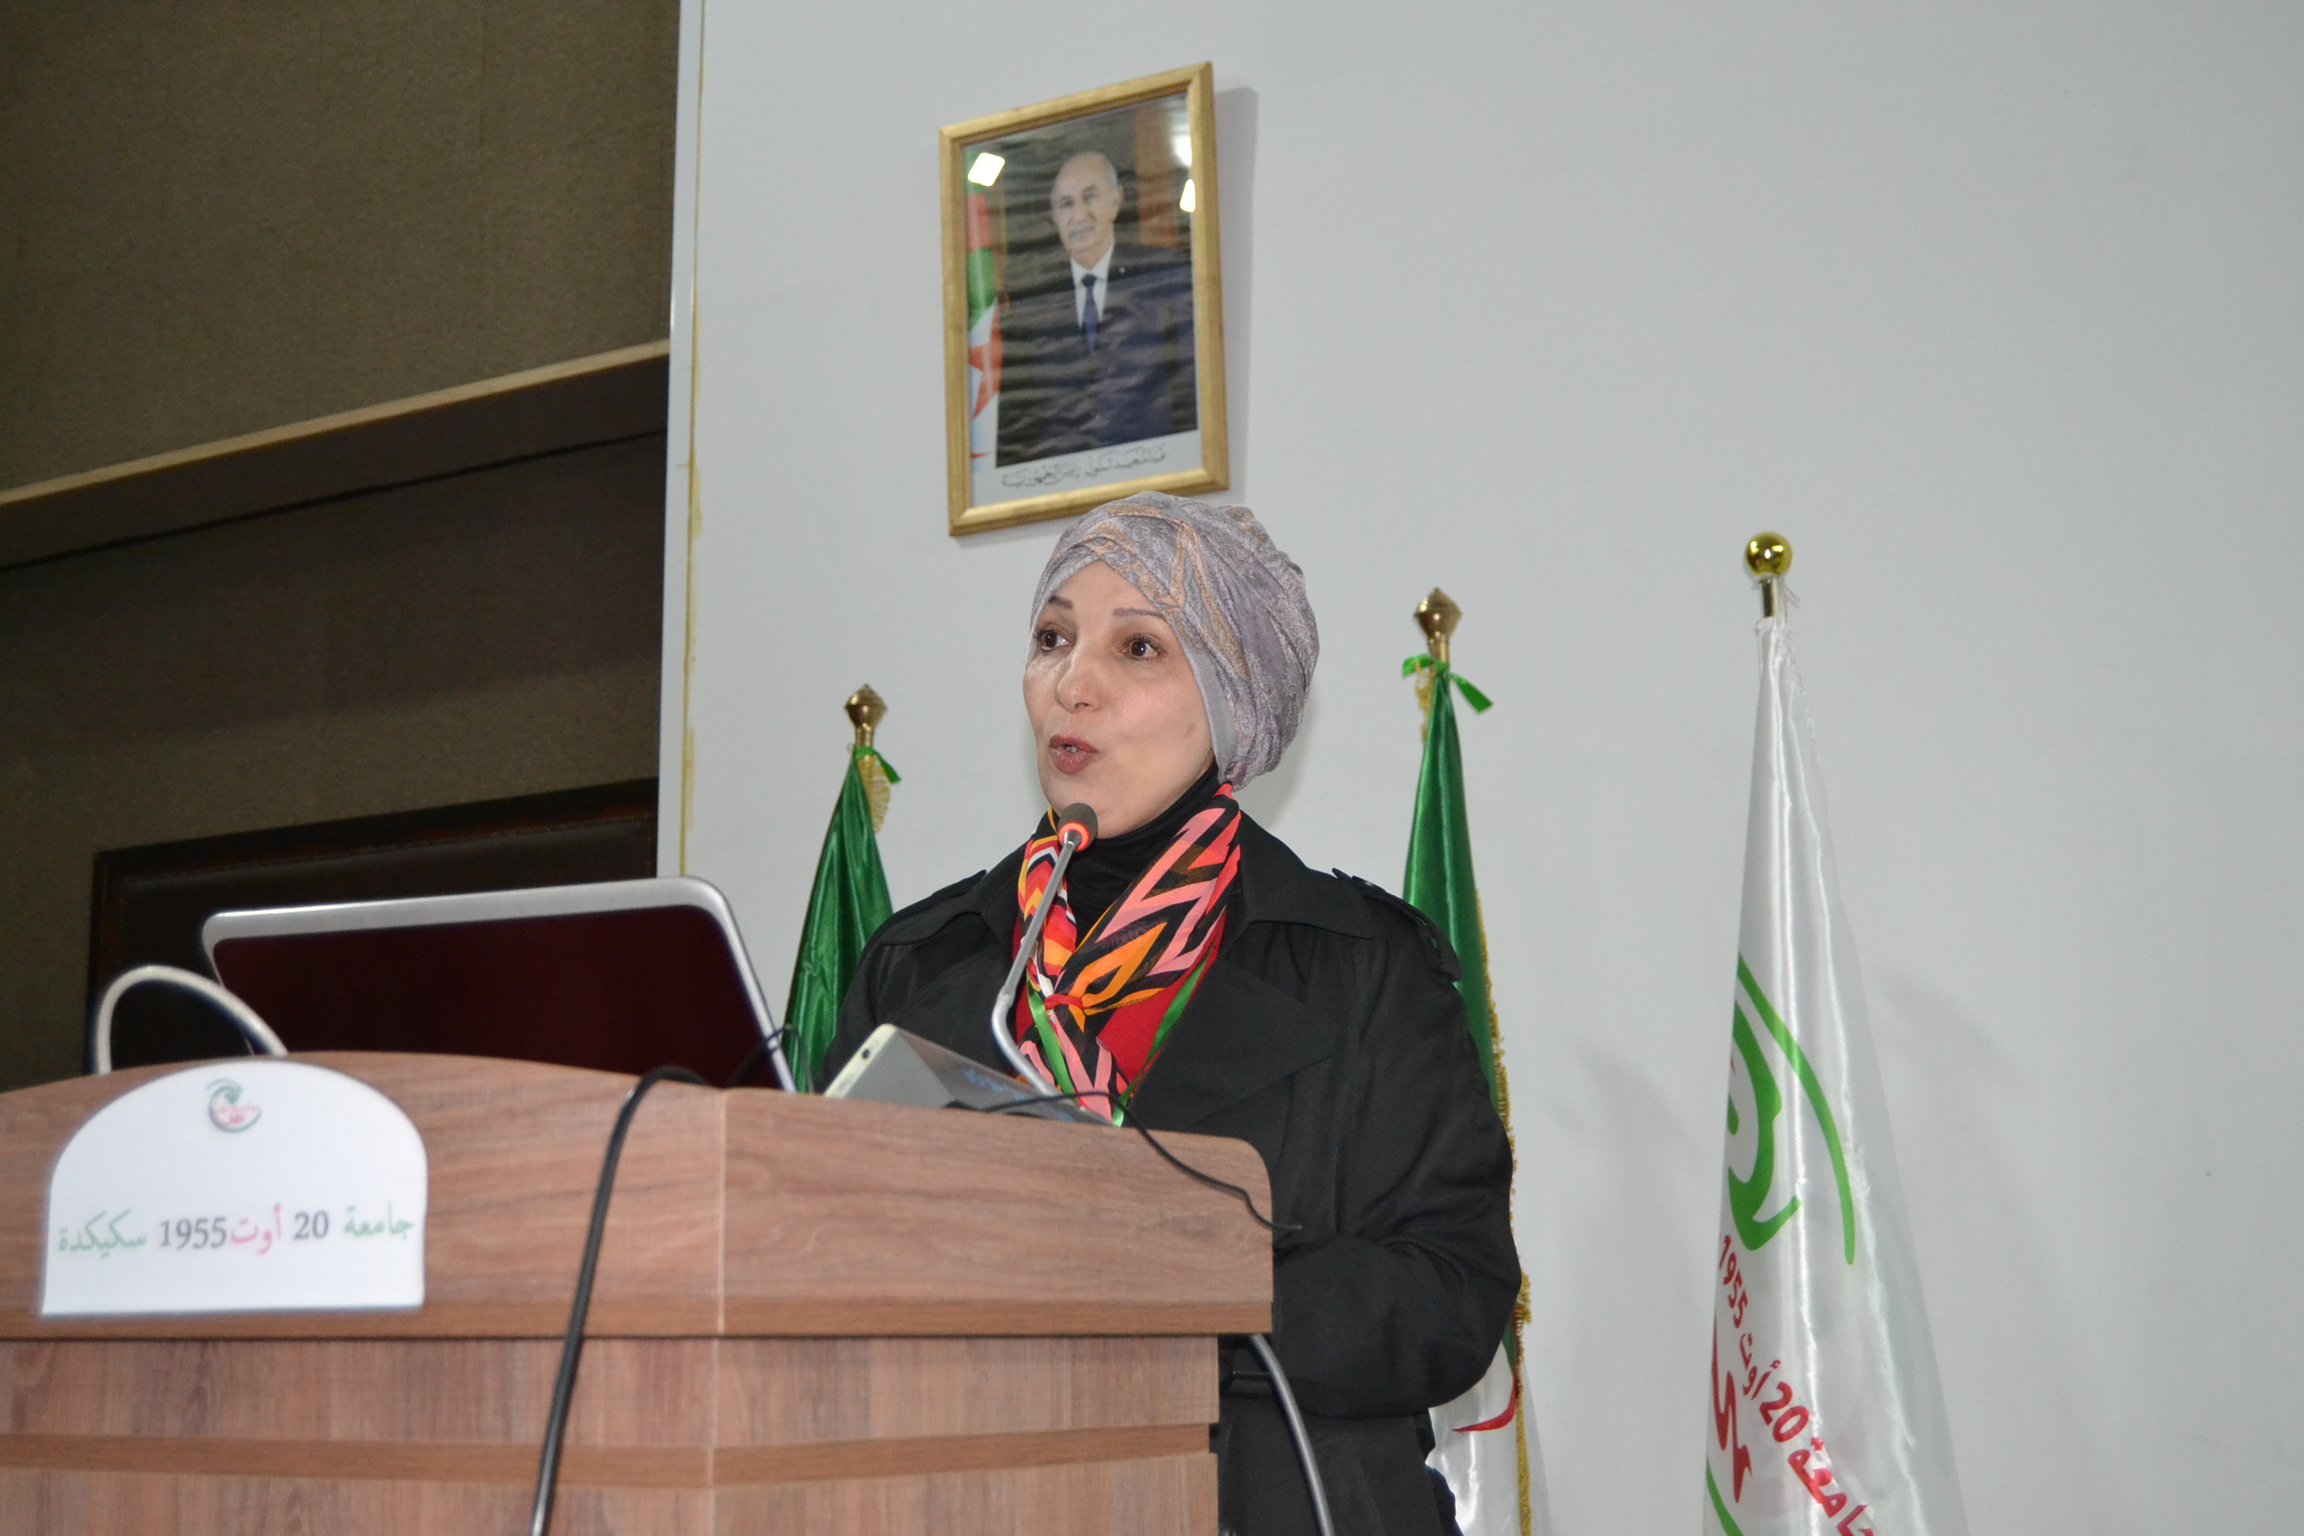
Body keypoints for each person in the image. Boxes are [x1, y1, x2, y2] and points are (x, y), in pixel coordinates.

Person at [822, 493, 1519, 1536]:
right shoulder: (924, 960)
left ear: (1233, 699)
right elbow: (823, 1267)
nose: (1073, 683)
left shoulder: (1365, 967)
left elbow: (1449, 1297)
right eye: (1052, 639)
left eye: (1138, 647)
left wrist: (1169, 1290)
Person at [995, 151, 1199, 467]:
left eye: (1090, 197)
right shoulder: (1032, 303)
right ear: (1054, 216)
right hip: (1063, 482)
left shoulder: (1162, 278)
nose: (1079, 215)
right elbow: (1018, 420)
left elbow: (1190, 393)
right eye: (1066, 204)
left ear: (1116, 202)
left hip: (1156, 472)